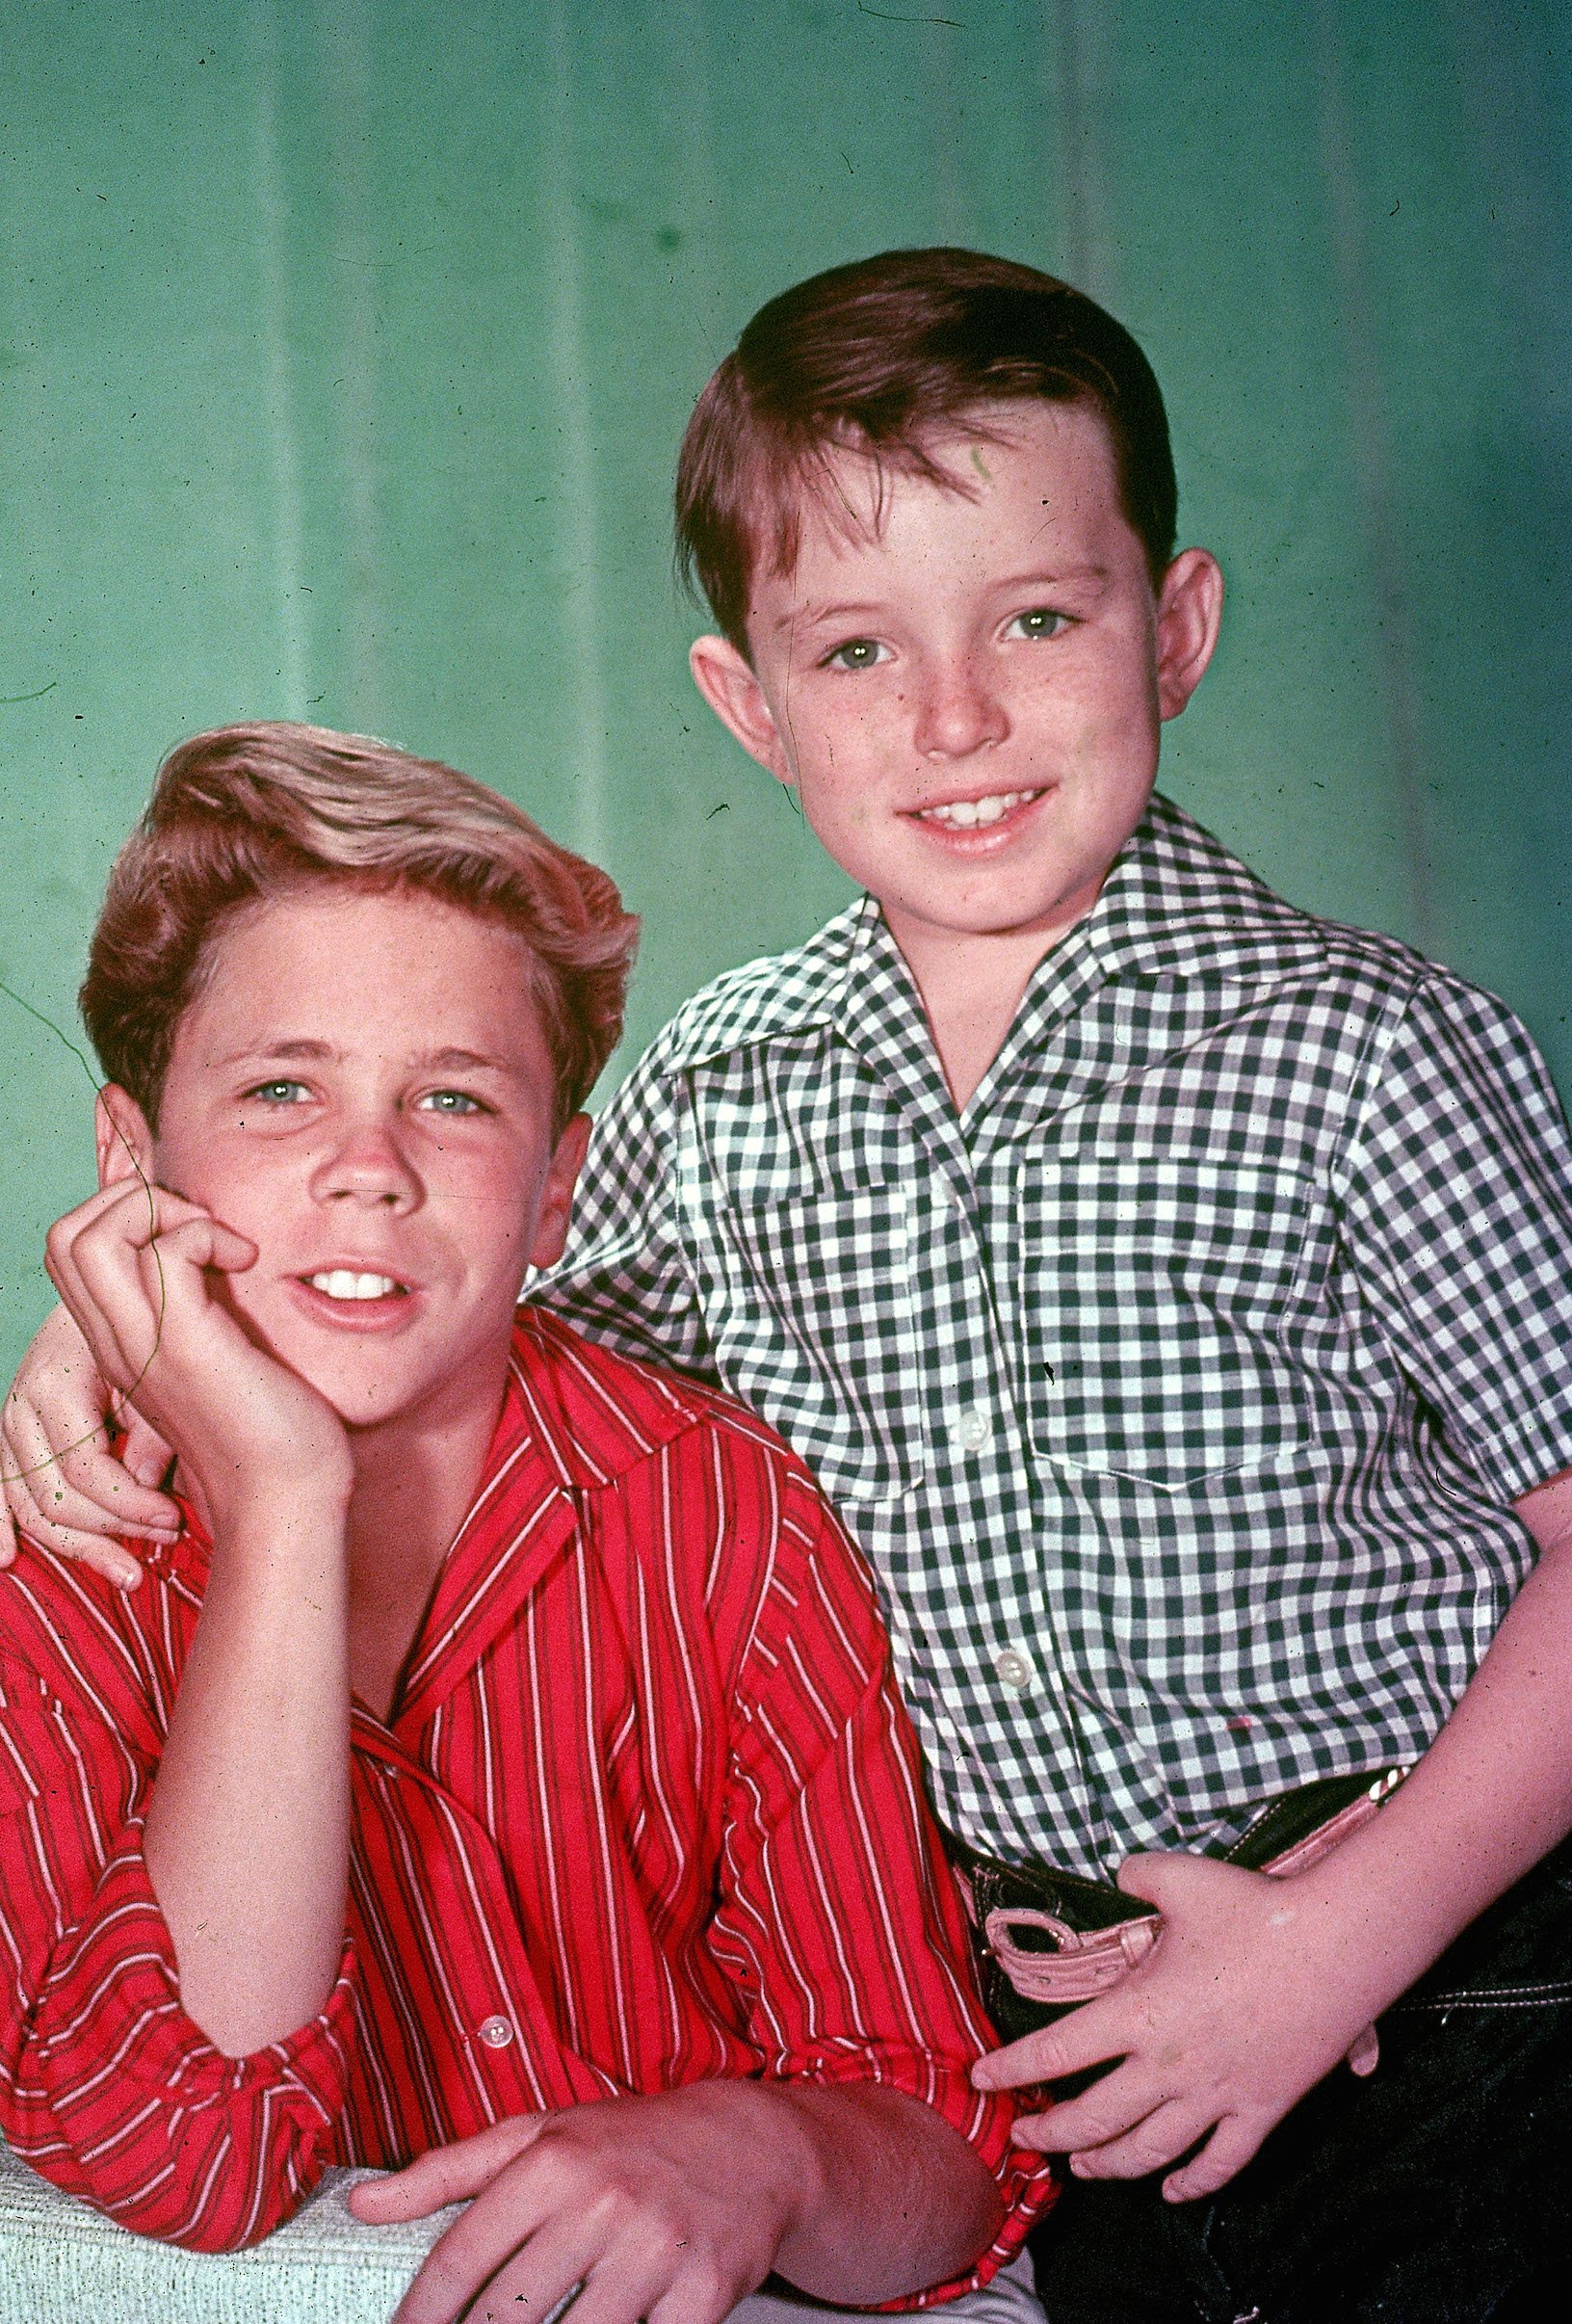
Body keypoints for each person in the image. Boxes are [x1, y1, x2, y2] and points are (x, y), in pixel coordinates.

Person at [7, 250, 1572, 2318]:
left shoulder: (1366, 1049)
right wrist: (121, 1339)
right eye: (854, 651)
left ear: (1174, 629)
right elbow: (454, 1316)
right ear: (746, 699)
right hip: (1062, 2044)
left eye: (1035, 616)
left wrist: (1339, 1937)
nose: (953, 717)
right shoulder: (725, 1086)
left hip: (1455, 1980)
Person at [0, 723, 1051, 2324]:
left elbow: (940, 2145)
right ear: (133, 1158)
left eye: (456, 1099)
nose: (371, 1172)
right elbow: (187, 2165)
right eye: (283, 1090)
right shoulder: (54, 1553)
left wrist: (764, 2149)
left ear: (558, 1190)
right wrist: (285, 1506)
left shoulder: (721, 1510)